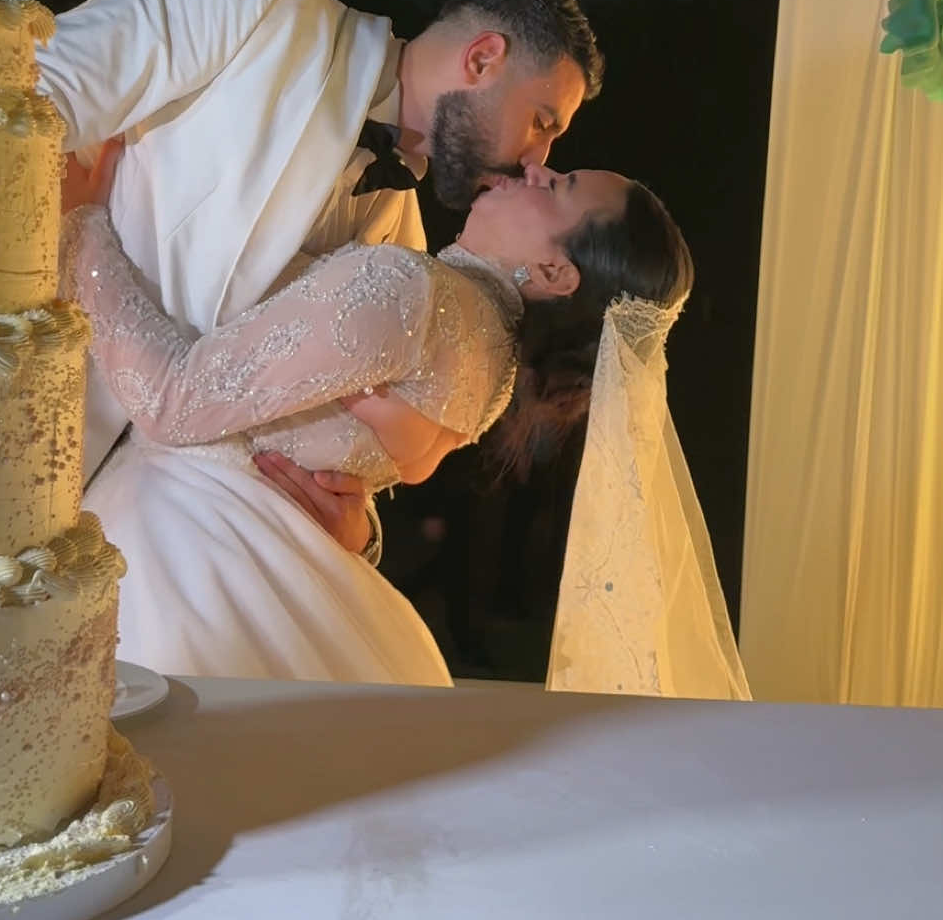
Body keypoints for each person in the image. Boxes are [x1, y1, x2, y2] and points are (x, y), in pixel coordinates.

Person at [37, 0, 603, 565]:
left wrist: (357, 536)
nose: (536, 162)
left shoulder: (404, 252)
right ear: (484, 58)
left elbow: (340, 450)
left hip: (140, 561)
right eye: (542, 122)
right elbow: (20, 102)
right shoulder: (257, 1)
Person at [62, 149, 696, 686]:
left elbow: (175, 400)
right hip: (276, 572)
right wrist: (361, 536)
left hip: (179, 559)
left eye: (557, 188)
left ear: (557, 271)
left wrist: (83, 226)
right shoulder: (497, 373)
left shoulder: (408, 289)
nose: (534, 167)